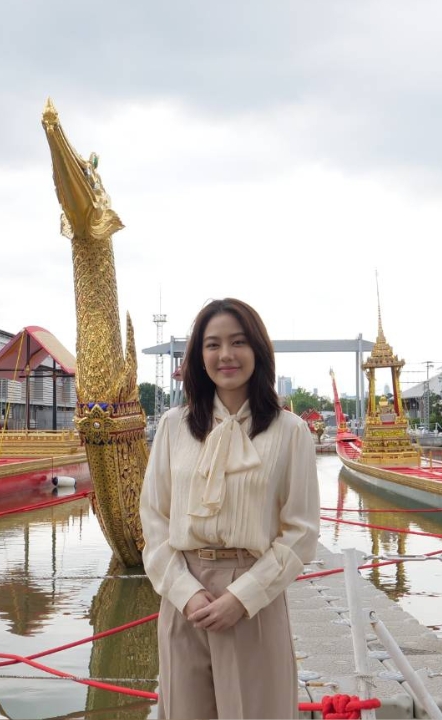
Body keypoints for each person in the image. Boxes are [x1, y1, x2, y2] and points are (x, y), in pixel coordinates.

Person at [140, 298, 320, 719]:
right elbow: (153, 520)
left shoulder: (290, 431)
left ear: (257, 350)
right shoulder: (173, 427)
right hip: (185, 595)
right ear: (198, 357)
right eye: (212, 344)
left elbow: (301, 532)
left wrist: (243, 596)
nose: (226, 355)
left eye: (238, 342)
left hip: (253, 597)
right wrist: (185, 593)